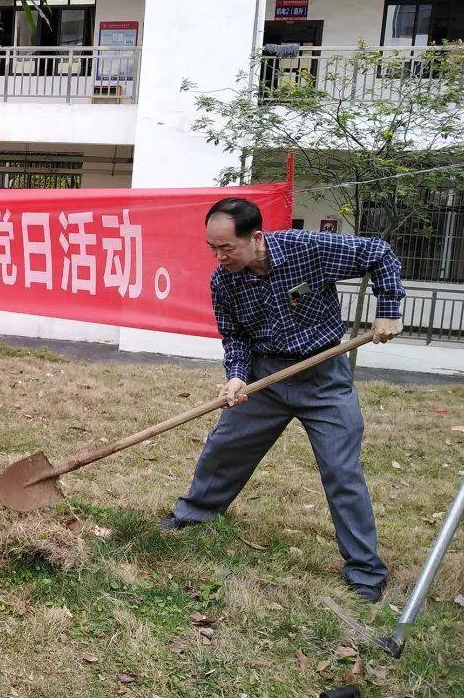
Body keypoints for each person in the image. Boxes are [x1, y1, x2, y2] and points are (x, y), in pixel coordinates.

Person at [160, 198, 404, 604]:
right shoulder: (225, 281)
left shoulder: (307, 249)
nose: (219, 257)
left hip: (323, 378)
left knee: (341, 470)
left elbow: (379, 253)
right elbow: (234, 335)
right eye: (212, 249)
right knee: (226, 446)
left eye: (227, 248)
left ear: (256, 238)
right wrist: (237, 376)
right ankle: (194, 513)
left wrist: (389, 308)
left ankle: (364, 570)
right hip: (266, 378)